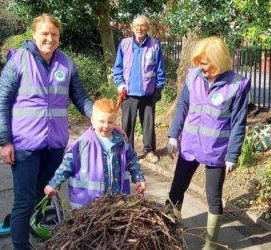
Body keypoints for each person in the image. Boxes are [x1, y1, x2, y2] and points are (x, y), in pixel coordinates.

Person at [0, 14, 93, 250]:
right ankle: (21, 245)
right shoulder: (19, 60)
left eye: (54, 35)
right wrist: (5, 141)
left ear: (59, 37)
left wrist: (101, 118)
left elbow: (80, 96)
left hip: (56, 145)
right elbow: (2, 102)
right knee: (24, 199)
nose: (50, 39)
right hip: (25, 146)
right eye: (45, 34)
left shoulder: (66, 63)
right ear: (34, 35)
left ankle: (28, 224)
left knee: (43, 194)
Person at [166, 36, 251, 250]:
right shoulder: (193, 77)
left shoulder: (237, 85)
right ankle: (169, 233)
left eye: (204, 63)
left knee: (214, 198)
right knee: (176, 189)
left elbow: (238, 122)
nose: (200, 67)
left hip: (216, 151)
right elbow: (182, 107)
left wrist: (233, 155)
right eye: (199, 62)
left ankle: (210, 245)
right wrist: (173, 135)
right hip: (190, 147)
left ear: (218, 61)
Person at [44, 98, 146, 208]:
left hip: (117, 200)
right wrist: (54, 184)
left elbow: (132, 160)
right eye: (101, 121)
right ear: (92, 120)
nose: (106, 126)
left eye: (110, 122)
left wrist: (139, 179)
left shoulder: (121, 142)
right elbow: (67, 165)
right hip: (88, 204)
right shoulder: (82, 143)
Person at [113, 15, 166, 163]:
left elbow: (160, 69)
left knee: (148, 125)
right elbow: (117, 68)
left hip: (148, 93)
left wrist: (158, 89)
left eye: (142, 25)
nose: (139, 28)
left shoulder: (155, 45)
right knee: (127, 125)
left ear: (147, 27)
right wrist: (120, 83)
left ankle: (149, 151)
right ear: (132, 28)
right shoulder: (124, 44)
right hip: (128, 93)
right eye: (136, 26)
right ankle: (128, 152)